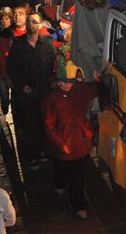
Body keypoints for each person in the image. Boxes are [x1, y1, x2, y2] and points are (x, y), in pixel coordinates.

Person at [42, 68, 97, 220]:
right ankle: (59, 183)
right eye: (62, 82)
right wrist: (61, 143)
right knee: (62, 168)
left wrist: (100, 77)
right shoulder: (51, 99)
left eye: (69, 82)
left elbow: (95, 88)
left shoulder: (81, 91)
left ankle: (79, 205)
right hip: (62, 144)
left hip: (79, 141)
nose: (65, 85)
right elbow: (49, 125)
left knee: (78, 176)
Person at [7, 11, 56, 169]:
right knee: (30, 124)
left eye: (34, 22)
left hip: (45, 90)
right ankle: (33, 155)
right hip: (27, 92)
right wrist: (22, 85)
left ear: (41, 25)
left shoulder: (47, 42)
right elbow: (12, 68)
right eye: (29, 21)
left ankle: (45, 152)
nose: (30, 24)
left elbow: (54, 64)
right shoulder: (18, 44)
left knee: (45, 122)